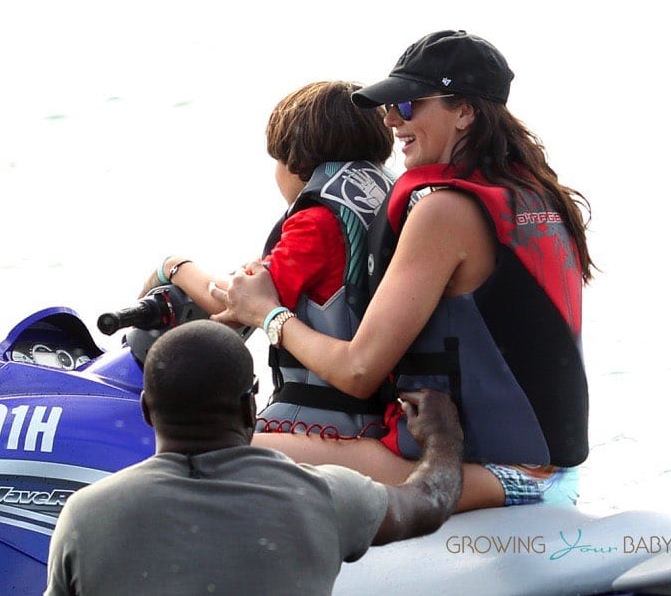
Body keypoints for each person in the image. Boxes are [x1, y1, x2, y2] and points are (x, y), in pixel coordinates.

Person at [211, 30, 595, 513]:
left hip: (495, 474)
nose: (391, 119)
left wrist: (267, 313)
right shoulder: (538, 194)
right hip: (548, 466)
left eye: (409, 105)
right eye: (390, 106)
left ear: (465, 112)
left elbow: (358, 371)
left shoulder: (444, 213)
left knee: (217, 451)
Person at [44, 320, 463, 596]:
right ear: (250, 408)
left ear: (146, 411)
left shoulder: (84, 517)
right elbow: (430, 501)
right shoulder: (323, 496)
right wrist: (443, 438)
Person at [139, 80, 395, 438]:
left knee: (206, 457)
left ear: (297, 161)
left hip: (324, 420)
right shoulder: (383, 197)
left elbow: (237, 299)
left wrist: (175, 268)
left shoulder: (316, 222)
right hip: (378, 413)